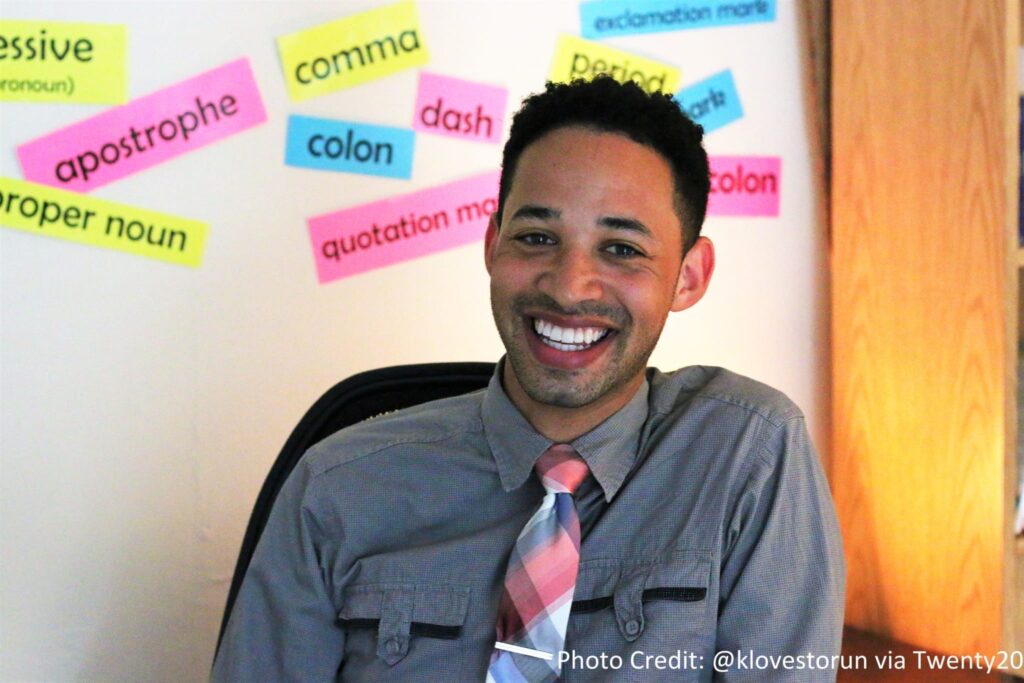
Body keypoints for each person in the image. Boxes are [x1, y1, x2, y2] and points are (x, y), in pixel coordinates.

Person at [212, 76, 845, 682]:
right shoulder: (334, 490)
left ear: (688, 276)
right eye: (537, 237)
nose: (569, 287)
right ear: (492, 245)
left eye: (621, 249)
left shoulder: (746, 458)